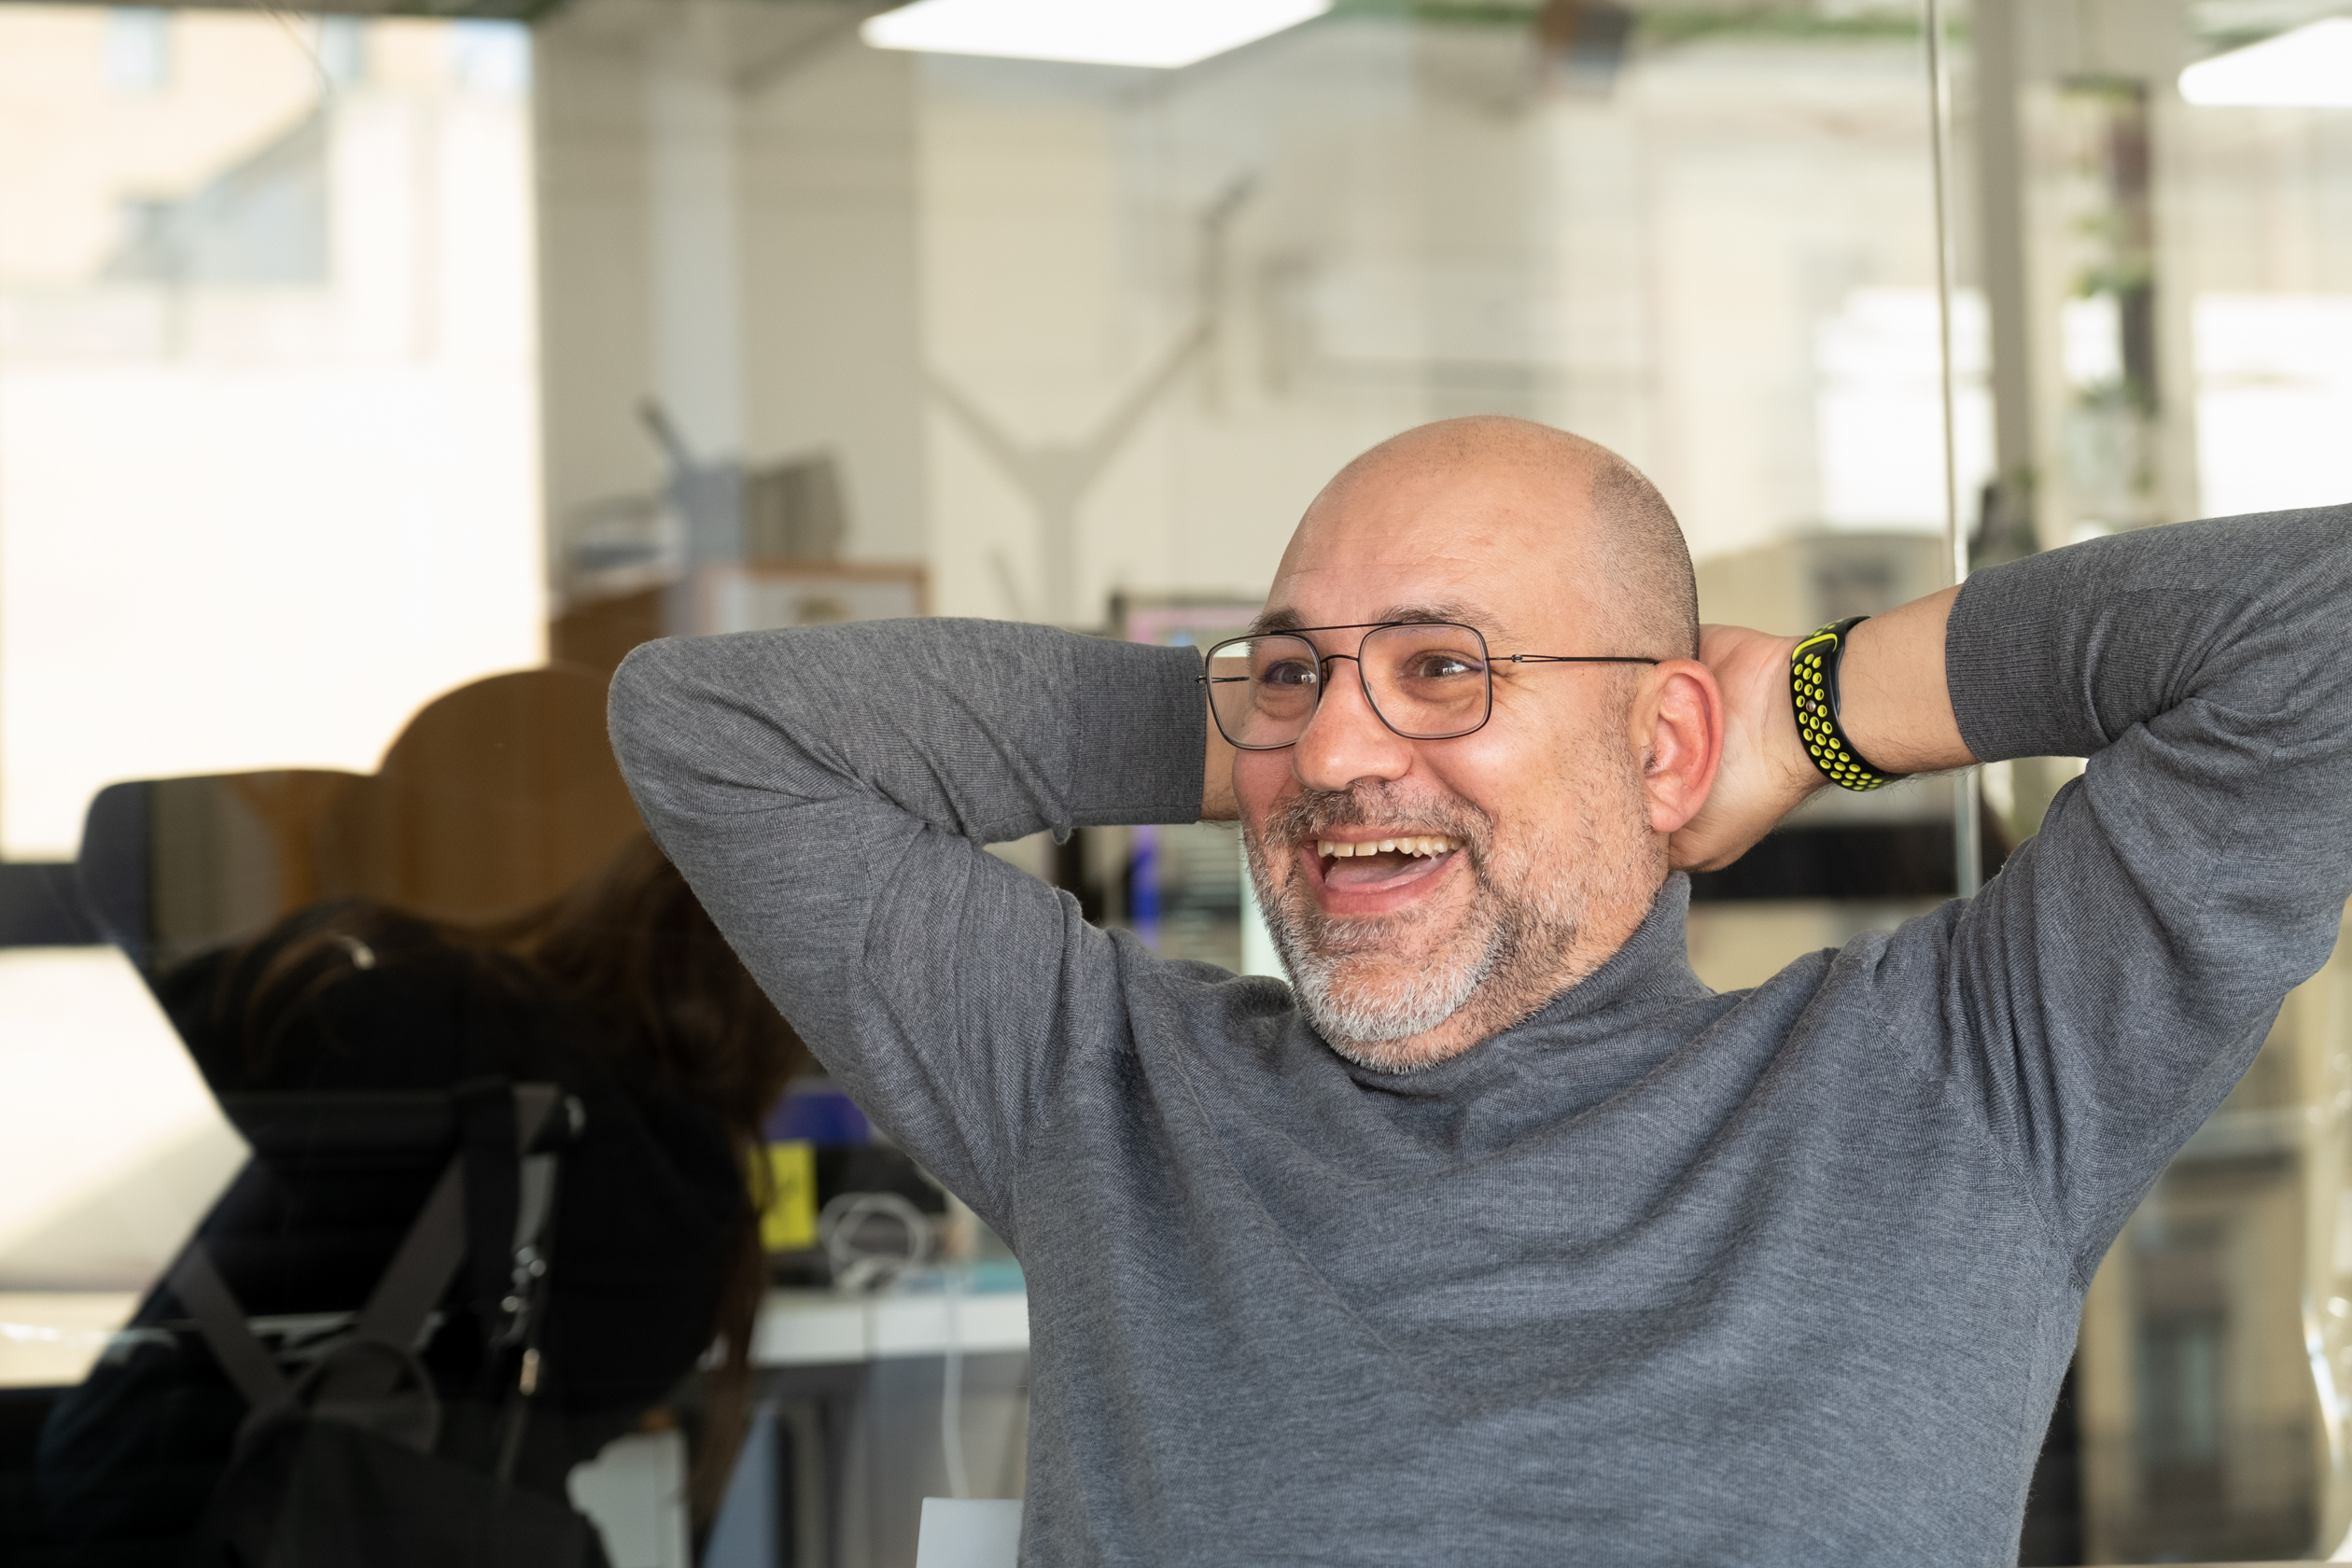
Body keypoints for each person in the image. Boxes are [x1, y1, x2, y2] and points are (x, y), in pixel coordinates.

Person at [607, 415, 2352, 1565]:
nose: (1348, 740)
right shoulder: (1104, 1095)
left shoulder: (1966, 1089)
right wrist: (1283, 731)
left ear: (1664, 736)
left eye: (1448, 666)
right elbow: (713, 727)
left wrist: (1820, 705)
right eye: (1297, 663)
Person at [36, 833, 802, 1562]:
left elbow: (183, 1038)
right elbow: (545, 1440)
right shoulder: (699, 1221)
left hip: (127, 1491)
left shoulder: (404, 988)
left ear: (613, 898)